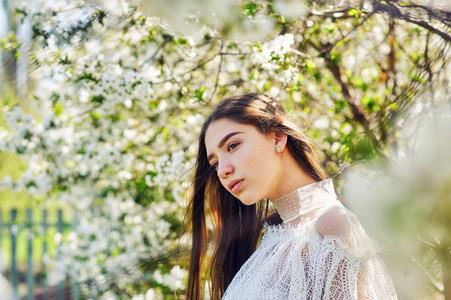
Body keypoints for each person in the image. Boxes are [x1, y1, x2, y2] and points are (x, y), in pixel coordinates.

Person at [185, 93, 398, 300]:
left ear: (277, 137)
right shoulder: (271, 241)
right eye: (215, 163)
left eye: (232, 146)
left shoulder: (333, 225)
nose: (222, 170)